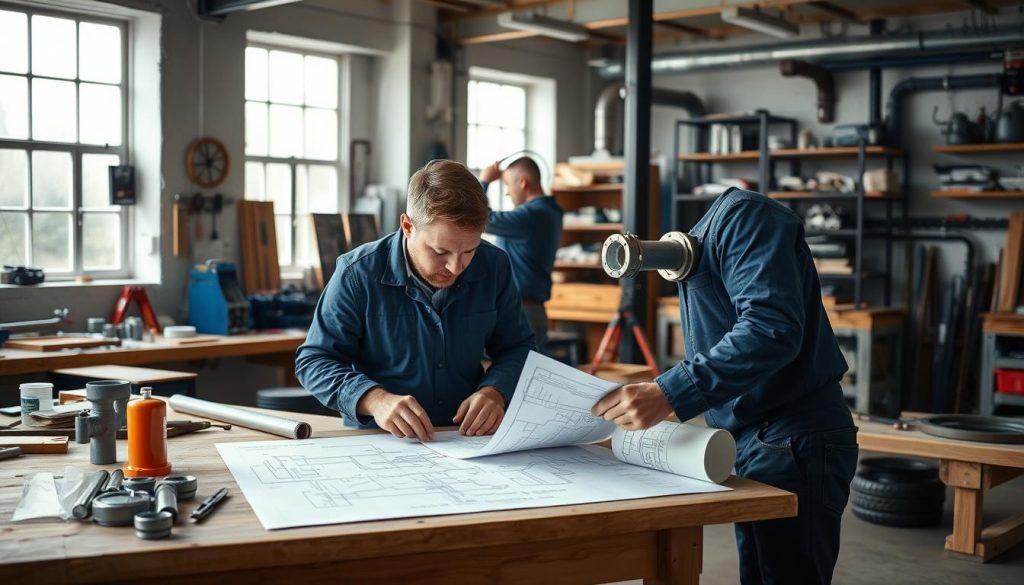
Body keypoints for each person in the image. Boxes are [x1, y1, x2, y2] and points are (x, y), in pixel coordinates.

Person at [592, 187, 858, 585]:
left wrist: (668, 392)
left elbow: (770, 329)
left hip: (794, 436)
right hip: (758, 439)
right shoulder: (706, 248)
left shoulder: (744, 218)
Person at [296, 159, 535, 441]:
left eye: (469, 251)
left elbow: (518, 348)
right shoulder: (356, 274)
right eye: (440, 251)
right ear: (408, 226)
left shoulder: (494, 265)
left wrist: (496, 390)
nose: (456, 267)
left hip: (464, 439)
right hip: (378, 439)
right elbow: (314, 360)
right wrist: (374, 399)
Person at [479, 157, 563, 353]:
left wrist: (483, 181)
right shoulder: (551, 210)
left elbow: (480, 219)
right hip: (531, 311)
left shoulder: (532, 215)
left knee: (518, 379)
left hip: (522, 314)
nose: (507, 191)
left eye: (508, 184)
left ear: (523, 182)